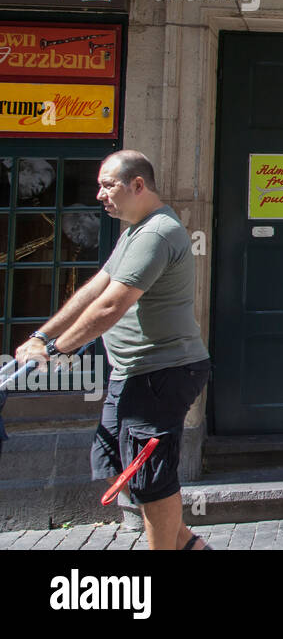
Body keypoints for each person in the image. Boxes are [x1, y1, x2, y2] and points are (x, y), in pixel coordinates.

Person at [15, 150, 211, 550]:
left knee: (150, 479)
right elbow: (95, 290)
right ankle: (188, 545)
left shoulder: (157, 233)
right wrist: (42, 335)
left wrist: (56, 351)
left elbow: (111, 306)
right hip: (131, 372)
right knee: (113, 465)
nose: (100, 194)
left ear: (138, 185)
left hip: (160, 371)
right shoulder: (134, 231)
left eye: (108, 185)